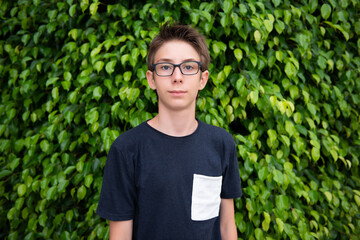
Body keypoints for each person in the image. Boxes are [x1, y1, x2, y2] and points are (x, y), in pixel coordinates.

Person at [97, 22, 242, 240]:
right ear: (151, 79)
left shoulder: (221, 144)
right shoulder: (126, 150)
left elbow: (227, 227)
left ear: (203, 79)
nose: (177, 76)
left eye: (189, 66)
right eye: (165, 67)